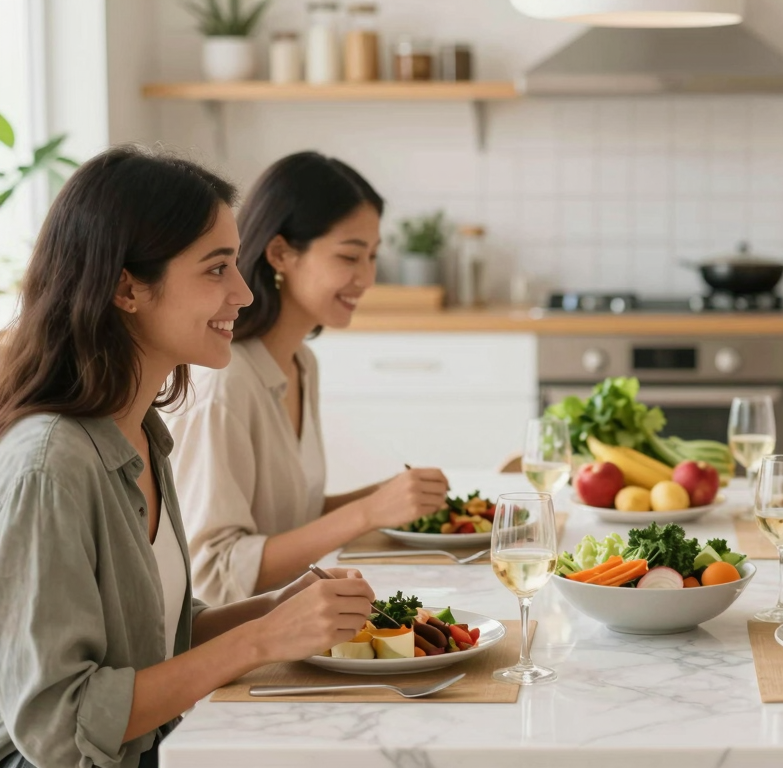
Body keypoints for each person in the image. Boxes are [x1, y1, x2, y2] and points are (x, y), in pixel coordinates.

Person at [0, 147, 375, 767]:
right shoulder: (50, 467)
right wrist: (261, 639)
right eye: (216, 269)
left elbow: (161, 634)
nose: (244, 293)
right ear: (127, 287)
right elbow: (60, 725)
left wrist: (280, 608)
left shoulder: (141, 432)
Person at [165, 152, 450, 606]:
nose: (367, 277)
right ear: (281, 253)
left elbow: (291, 517)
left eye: (373, 256)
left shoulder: (300, 362)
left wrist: (387, 497)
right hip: (246, 642)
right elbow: (214, 575)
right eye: (350, 256)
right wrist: (369, 511)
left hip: (298, 618)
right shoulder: (226, 383)